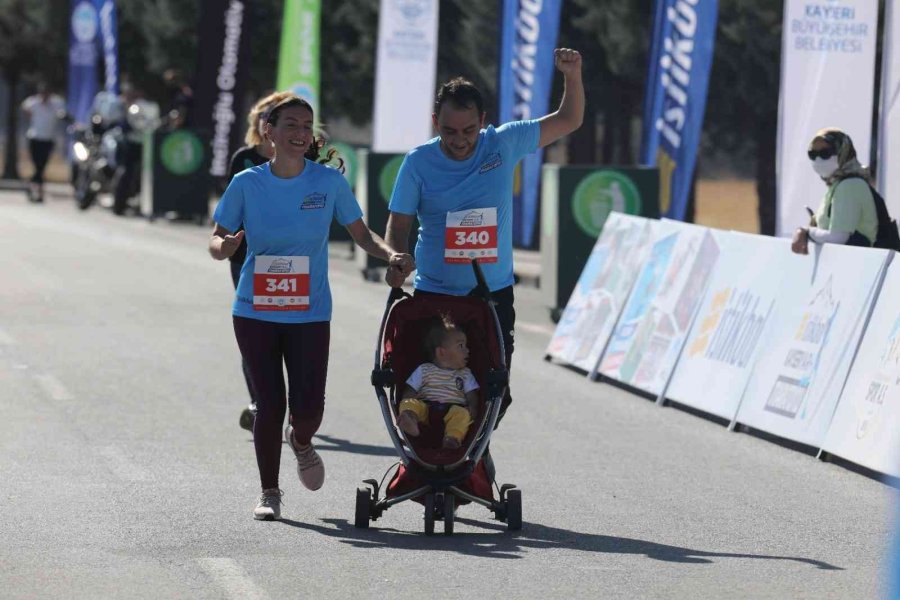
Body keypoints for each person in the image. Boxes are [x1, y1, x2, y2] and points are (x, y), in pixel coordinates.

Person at [209, 95, 414, 521]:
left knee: (309, 411)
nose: (300, 133)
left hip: (310, 313)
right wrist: (224, 246)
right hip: (254, 311)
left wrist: (390, 255)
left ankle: (301, 441)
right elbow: (216, 238)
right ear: (269, 130)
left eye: (307, 126)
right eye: (291, 125)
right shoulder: (247, 182)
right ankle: (269, 492)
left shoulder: (328, 183)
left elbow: (362, 234)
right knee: (269, 403)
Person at [384, 48, 584, 447]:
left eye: (469, 131)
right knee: (430, 385)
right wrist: (396, 256)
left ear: (483, 123)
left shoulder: (503, 143)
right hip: (436, 293)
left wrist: (573, 76)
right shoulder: (418, 162)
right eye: (450, 131)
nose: (460, 141)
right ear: (435, 122)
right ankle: (435, 458)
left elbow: (568, 120)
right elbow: (400, 221)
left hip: (491, 293)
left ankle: (470, 452)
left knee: (494, 390)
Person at [225, 91, 294, 432]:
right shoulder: (244, 160)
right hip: (247, 258)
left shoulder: (304, 161)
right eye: (267, 118)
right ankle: (260, 400)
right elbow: (230, 208)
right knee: (255, 331)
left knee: (292, 332)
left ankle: (292, 403)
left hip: (293, 262)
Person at [398, 314, 480, 450]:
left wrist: (473, 407)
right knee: (408, 403)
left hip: (453, 410)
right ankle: (410, 420)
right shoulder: (424, 369)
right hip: (426, 408)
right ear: (441, 352)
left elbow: (472, 395)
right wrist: (408, 403)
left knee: (462, 415)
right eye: (461, 346)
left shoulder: (465, 374)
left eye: (466, 345)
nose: (467, 350)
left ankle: (452, 438)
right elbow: (410, 390)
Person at [792, 128, 878, 254]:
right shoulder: (838, 184)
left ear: (843, 152)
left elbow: (838, 238)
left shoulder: (850, 185)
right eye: (812, 154)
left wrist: (807, 232)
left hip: (861, 264)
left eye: (825, 153)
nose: (818, 159)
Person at [20, 83, 67, 203]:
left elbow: (63, 114)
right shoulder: (34, 102)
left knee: (42, 166)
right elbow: (24, 108)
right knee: (37, 165)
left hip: (48, 138)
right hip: (35, 137)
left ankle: (32, 186)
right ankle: (38, 192)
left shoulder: (56, 103)